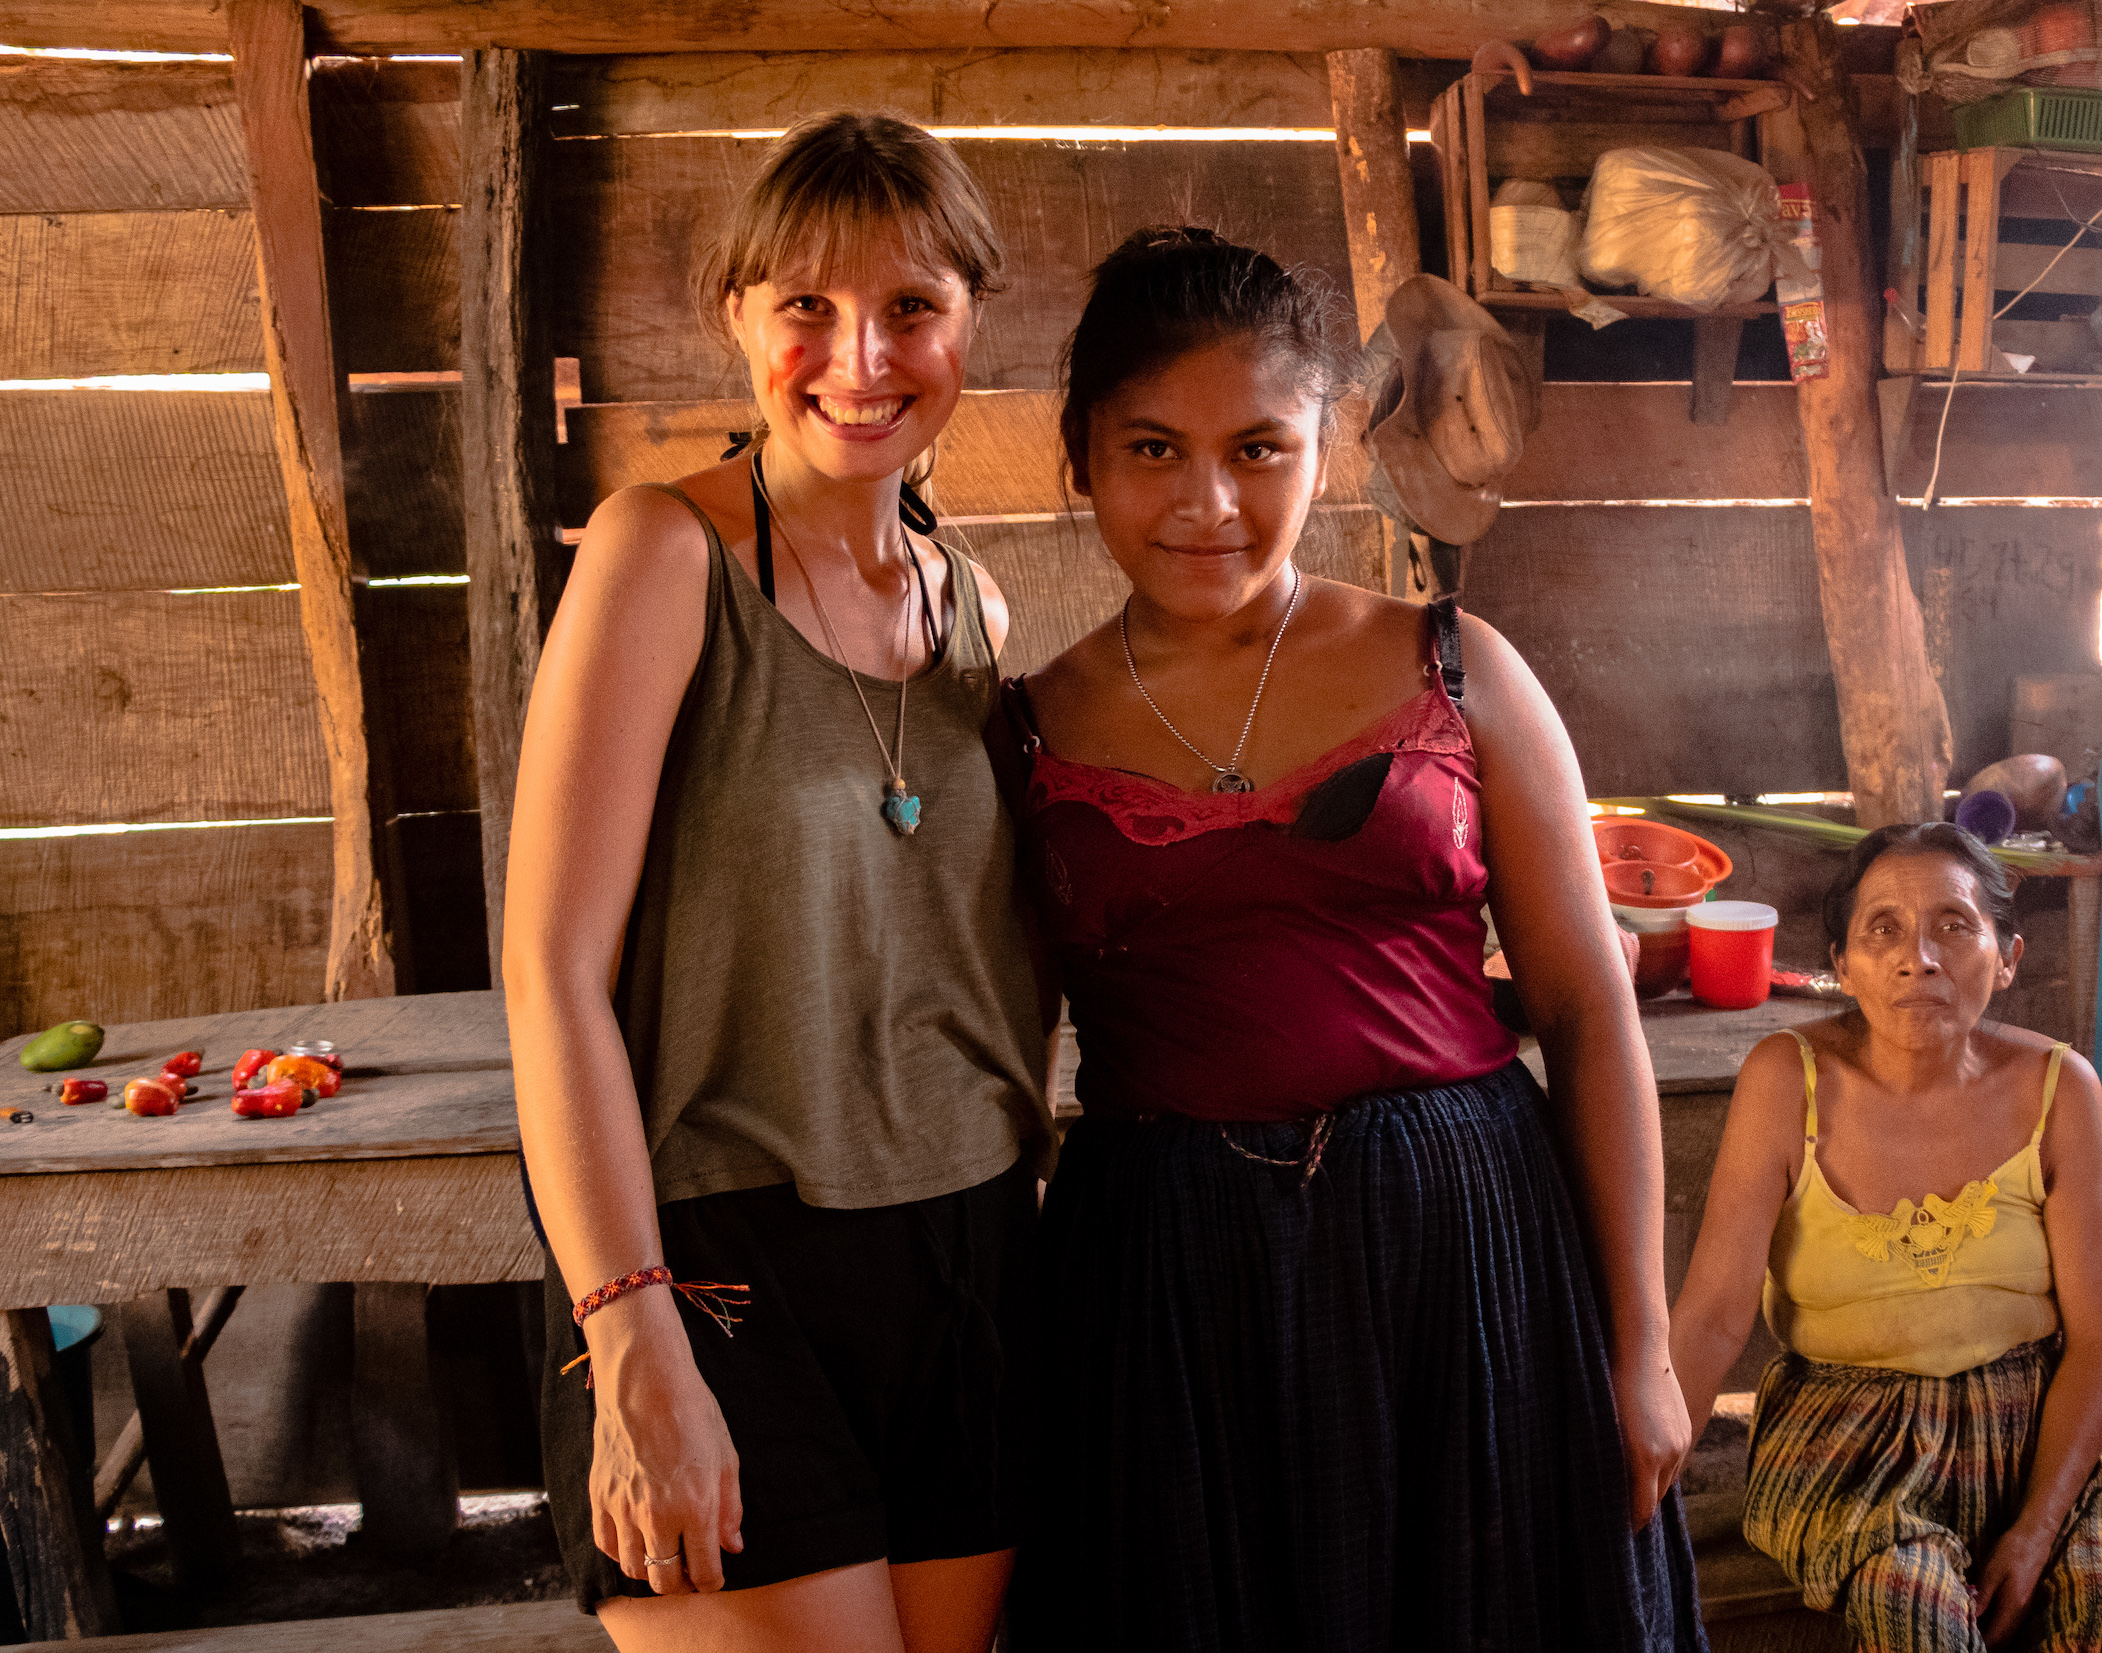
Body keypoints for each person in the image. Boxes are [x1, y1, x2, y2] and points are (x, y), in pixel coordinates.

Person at [1000, 227, 1705, 1652]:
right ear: (1079, 459)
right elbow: (1001, 1070)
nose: (1207, 502)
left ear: (1322, 450)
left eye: (1257, 449)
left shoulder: (1455, 667)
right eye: (1152, 450)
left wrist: (1640, 1346)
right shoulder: (1023, 735)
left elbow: (1587, 1018)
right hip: (1169, 1287)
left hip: (1468, 1254)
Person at [503, 112, 1053, 1653]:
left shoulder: (976, 608)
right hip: (716, 1265)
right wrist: (631, 1336)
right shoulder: (658, 554)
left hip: (969, 1250)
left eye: (911, 306)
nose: (860, 357)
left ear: (968, 323)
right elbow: (548, 973)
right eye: (807, 303)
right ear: (736, 315)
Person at [1669, 823, 2102, 1651]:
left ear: (2005, 957)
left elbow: (2099, 1338)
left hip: (2038, 1428)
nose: (1919, 958)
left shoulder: (2056, 1087)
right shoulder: (1787, 1079)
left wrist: (2036, 1528)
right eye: (1883, 929)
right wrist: (1635, 1489)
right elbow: (1711, 1319)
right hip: (1847, 1440)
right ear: (1842, 964)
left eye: (1952, 924)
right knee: (1912, 1608)